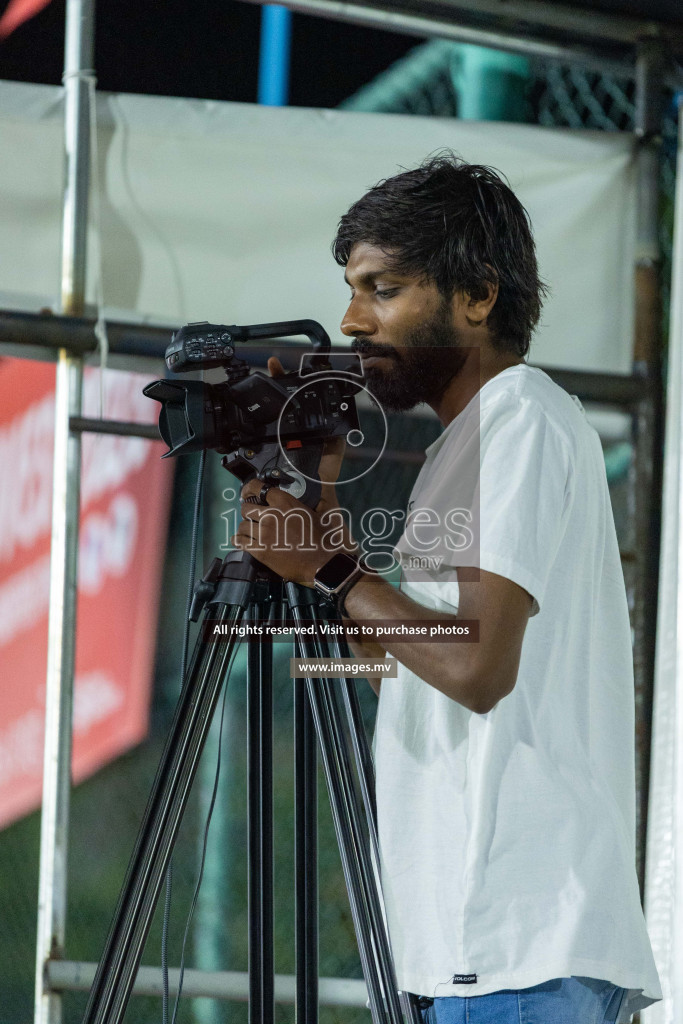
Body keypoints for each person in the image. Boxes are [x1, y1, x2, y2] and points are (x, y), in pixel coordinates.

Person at [234, 154, 661, 1024]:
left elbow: (475, 669)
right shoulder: (455, 452)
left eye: (381, 288)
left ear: (475, 296)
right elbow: (391, 667)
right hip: (472, 948)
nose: (352, 319)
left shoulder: (523, 420)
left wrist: (329, 569)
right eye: (351, 289)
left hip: (523, 942)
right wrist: (316, 484)